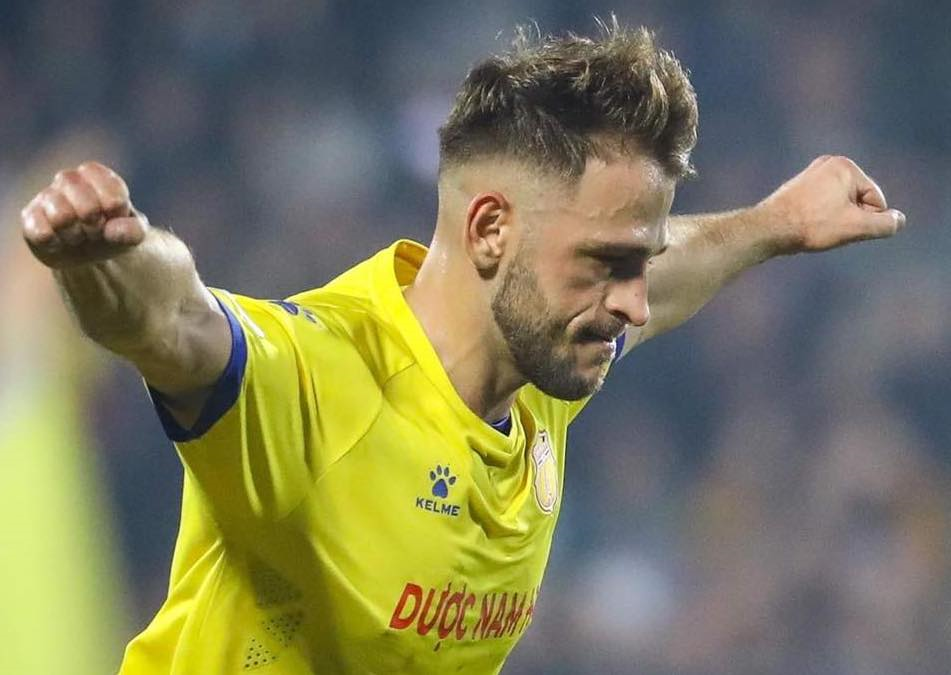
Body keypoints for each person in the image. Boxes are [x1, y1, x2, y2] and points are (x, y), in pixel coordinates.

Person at [20, 22, 904, 675]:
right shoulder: (322, 380)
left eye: (635, 261)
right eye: (605, 263)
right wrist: (105, 258)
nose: (633, 303)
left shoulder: (543, 358)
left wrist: (777, 222)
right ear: (489, 231)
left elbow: (668, 268)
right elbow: (173, 321)